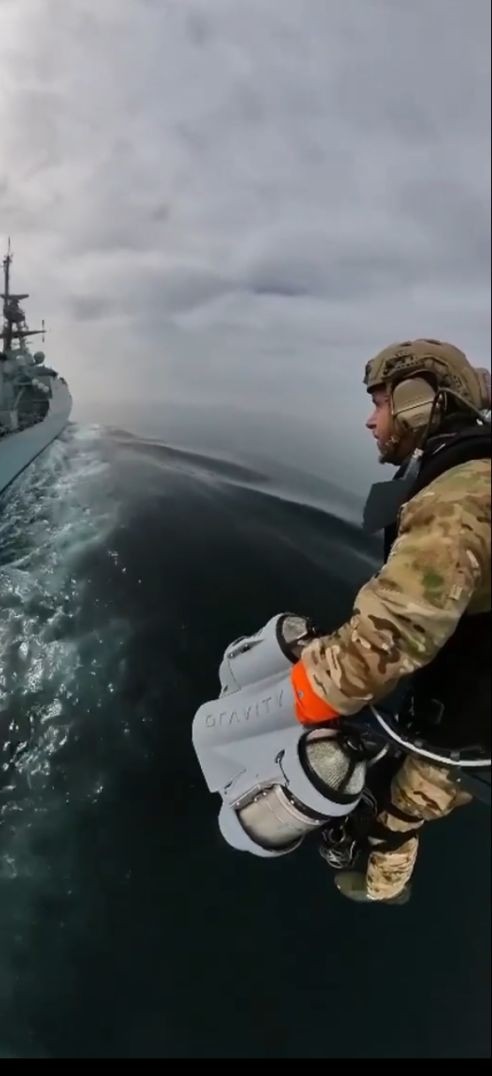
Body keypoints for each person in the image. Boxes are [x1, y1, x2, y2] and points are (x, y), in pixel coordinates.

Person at [289, 339, 491, 904]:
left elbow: (394, 636)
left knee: (387, 816)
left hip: (474, 723)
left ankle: (380, 888)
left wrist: (305, 686)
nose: (370, 420)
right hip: (469, 690)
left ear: (416, 401)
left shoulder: (458, 498)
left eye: (379, 403)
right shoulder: (469, 471)